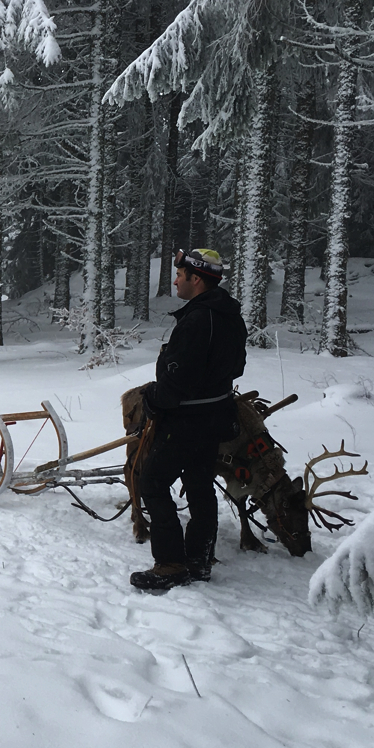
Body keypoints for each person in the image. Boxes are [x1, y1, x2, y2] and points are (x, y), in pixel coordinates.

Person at [130, 248, 248, 593]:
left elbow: (176, 384)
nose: (175, 280)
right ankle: (199, 559)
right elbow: (236, 367)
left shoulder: (197, 320)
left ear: (197, 279)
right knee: (199, 486)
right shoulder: (229, 315)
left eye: (180, 275)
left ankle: (170, 563)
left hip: (186, 421)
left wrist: (151, 397)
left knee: (151, 481)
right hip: (215, 417)